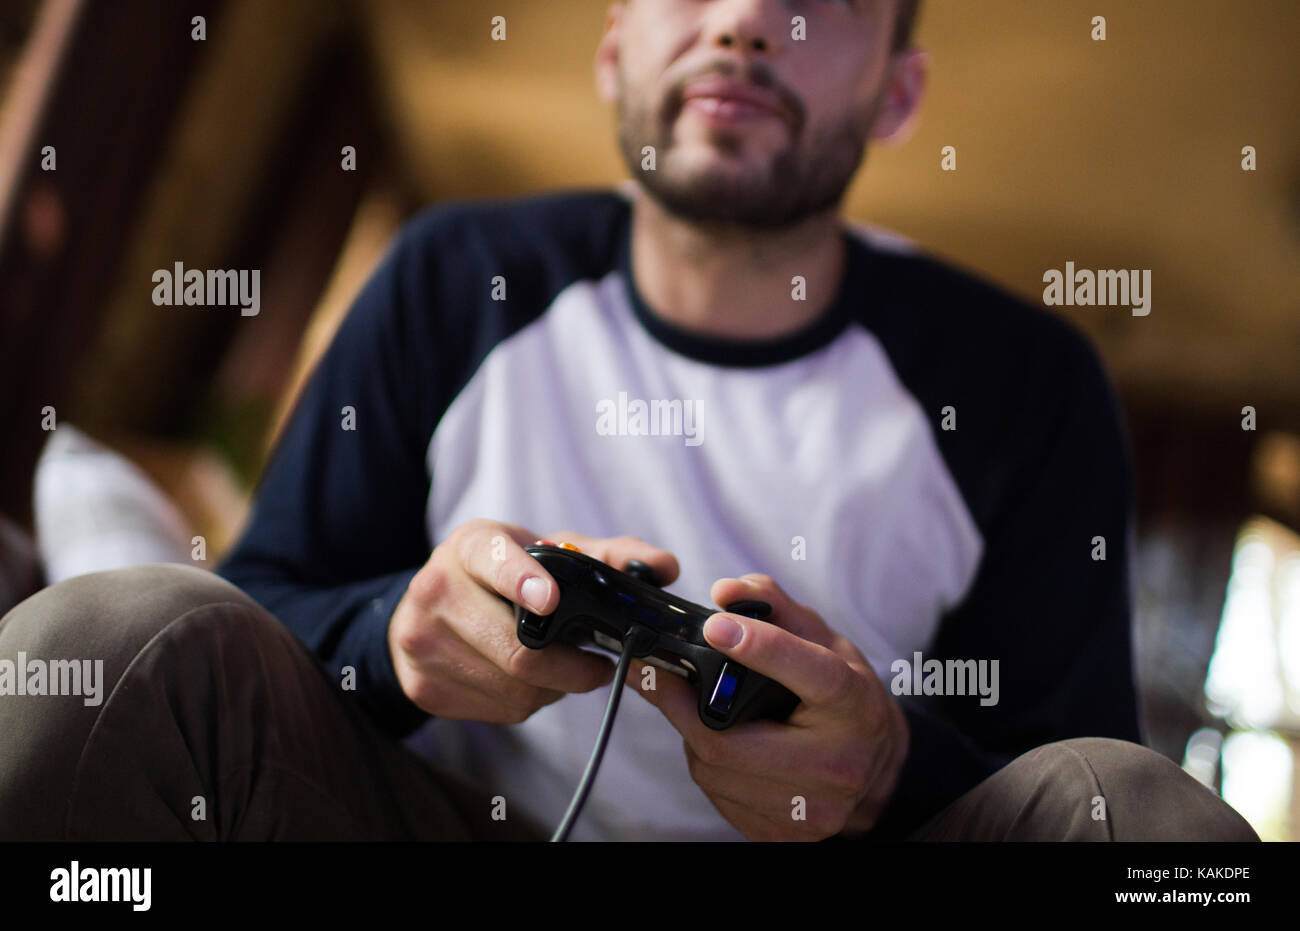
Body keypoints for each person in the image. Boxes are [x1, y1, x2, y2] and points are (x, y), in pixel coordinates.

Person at [0, 0, 1257, 842]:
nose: (745, 22)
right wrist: (397, 636)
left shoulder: (1027, 379)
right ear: (613, 48)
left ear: (895, 94)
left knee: (1138, 818)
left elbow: (1067, 774)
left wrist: (882, 768)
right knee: (130, 634)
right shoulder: (456, 277)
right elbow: (265, 604)